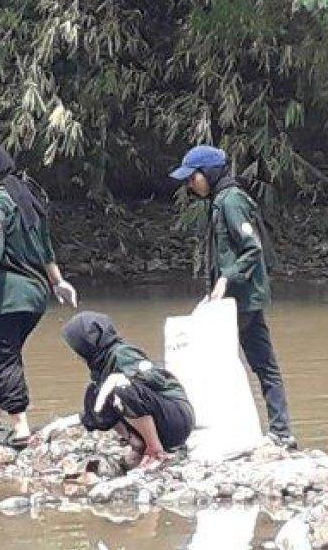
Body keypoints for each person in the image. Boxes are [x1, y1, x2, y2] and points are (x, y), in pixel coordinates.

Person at [168, 145, 298, 451]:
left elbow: (252, 248)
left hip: (240, 300)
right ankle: (280, 432)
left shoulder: (232, 201)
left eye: (193, 177)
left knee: (218, 361)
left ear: (209, 174)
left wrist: (226, 278)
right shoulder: (219, 201)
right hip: (235, 299)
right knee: (263, 365)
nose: (190, 184)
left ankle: (226, 430)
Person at [0, 145, 78, 448]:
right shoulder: (27, 199)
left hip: (4, 297)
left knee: (2, 355)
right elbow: (46, 247)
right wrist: (59, 282)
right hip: (34, 296)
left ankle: (21, 426)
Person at [38, 311, 194, 469]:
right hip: (159, 420)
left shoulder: (122, 353)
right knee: (95, 393)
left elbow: (147, 379)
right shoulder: (100, 365)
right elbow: (94, 410)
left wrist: (118, 380)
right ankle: (137, 443)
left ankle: (155, 451)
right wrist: (58, 425)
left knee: (120, 388)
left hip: (176, 418)